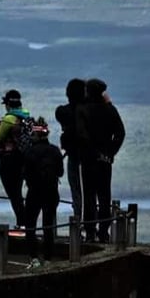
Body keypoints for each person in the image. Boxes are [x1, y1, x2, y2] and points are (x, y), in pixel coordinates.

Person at [74, 78, 126, 243]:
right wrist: (110, 152)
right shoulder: (110, 110)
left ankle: (90, 231)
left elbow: (82, 135)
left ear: (88, 91)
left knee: (89, 195)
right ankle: (104, 231)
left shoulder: (82, 109)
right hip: (105, 160)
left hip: (89, 159)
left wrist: (91, 152)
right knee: (104, 196)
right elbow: (120, 133)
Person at [22, 120, 64, 269]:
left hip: (34, 192)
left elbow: (25, 173)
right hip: (51, 191)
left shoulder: (29, 152)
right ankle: (48, 258)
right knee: (48, 225)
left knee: (30, 225)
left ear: (36, 135)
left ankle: (33, 258)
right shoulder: (55, 151)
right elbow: (60, 172)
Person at [0, 89, 31, 234]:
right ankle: (25, 222)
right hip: (23, 158)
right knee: (18, 192)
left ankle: (22, 224)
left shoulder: (9, 119)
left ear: (7, 104)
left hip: (9, 159)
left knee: (13, 193)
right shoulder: (26, 116)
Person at [55, 79, 87, 224]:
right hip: (89, 156)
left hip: (73, 155)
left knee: (76, 190)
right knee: (89, 192)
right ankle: (89, 224)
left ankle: (78, 221)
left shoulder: (64, 111)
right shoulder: (88, 111)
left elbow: (60, 113)